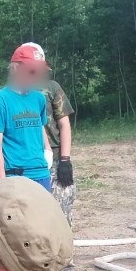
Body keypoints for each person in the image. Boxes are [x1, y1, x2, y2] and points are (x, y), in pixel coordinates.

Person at [0, 41, 55, 271]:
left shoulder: (39, 99)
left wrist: (48, 153)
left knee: (38, 235)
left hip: (40, 174)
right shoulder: (0, 100)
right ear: (16, 69)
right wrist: (1, 182)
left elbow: (40, 131)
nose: (35, 76)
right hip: (15, 176)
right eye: (31, 71)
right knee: (12, 235)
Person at [39, 73, 77, 226]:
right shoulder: (12, 92)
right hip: (29, 160)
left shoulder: (51, 87)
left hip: (55, 157)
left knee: (62, 211)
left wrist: (65, 160)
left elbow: (64, 124)